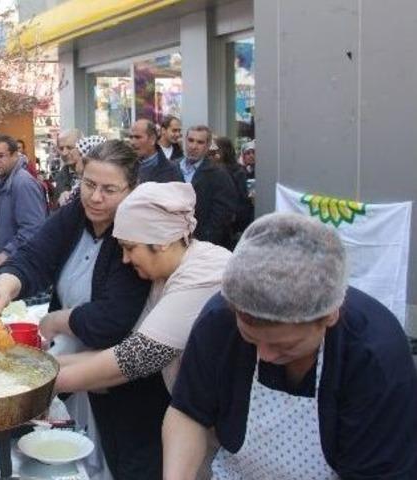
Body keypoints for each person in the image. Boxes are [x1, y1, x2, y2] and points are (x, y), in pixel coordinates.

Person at [163, 213, 417, 479]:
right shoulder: (219, 321)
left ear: (330, 315)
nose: (265, 355)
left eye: (285, 345)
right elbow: (188, 413)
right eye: (251, 338)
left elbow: (380, 471)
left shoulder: (373, 353)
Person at [0, 140, 164, 478]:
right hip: (72, 364)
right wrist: (5, 285)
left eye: (109, 189)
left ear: (131, 189)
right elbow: (35, 257)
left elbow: (113, 319)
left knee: (119, 462)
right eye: (89, 184)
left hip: (120, 377)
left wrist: (57, 320)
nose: (95, 197)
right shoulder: (76, 214)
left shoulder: (135, 234)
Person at [55, 182, 231, 395]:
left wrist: (45, 384)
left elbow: (138, 357)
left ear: (161, 241)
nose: (125, 259)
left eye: (130, 248)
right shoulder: (162, 276)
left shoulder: (204, 272)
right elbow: (124, 347)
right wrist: (47, 366)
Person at [0, 134, 47, 273]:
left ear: (15, 155)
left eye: (1, 156)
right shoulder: (5, 181)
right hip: (11, 263)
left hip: (19, 264)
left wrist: (7, 253)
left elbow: (33, 228)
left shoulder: (22, 183)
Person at [179, 125, 237, 248]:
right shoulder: (172, 168)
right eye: (190, 140)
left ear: (207, 146)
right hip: (172, 244)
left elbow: (223, 213)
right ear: (185, 140)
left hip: (204, 245)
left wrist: (204, 239)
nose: (193, 146)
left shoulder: (219, 174)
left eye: (200, 142)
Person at [211, 136, 254, 244]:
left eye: (215, 149)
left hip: (229, 227)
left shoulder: (237, 171)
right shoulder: (210, 169)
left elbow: (241, 200)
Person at [128, 119, 183, 183]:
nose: (132, 142)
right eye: (131, 137)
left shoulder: (171, 170)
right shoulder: (126, 167)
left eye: (138, 137)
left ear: (152, 139)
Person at [53, 128, 82, 206]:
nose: (64, 153)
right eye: (61, 148)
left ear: (81, 147)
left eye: (69, 148)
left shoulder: (94, 175)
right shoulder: (60, 177)